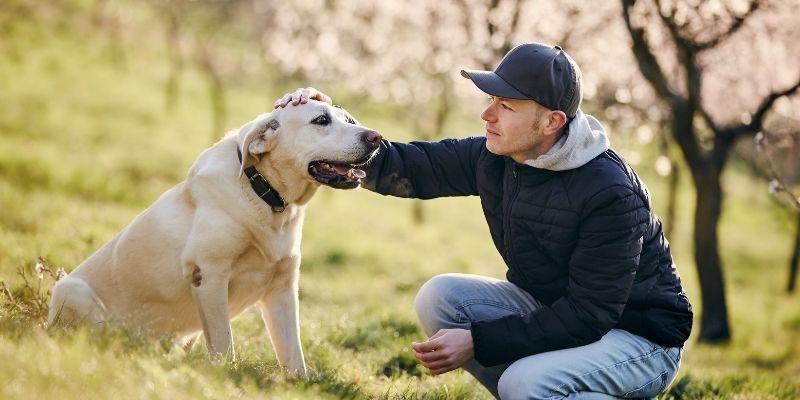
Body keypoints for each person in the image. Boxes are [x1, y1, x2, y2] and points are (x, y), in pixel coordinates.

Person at [275, 42, 692, 400]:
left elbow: (589, 313)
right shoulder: (496, 156)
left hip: (639, 338)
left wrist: (478, 340)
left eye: (505, 106)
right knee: (440, 298)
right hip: (559, 312)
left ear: (552, 122)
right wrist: (327, 117)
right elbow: (407, 166)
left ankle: (533, 390)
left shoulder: (610, 193)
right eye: (491, 100)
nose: (487, 114)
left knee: (524, 383)